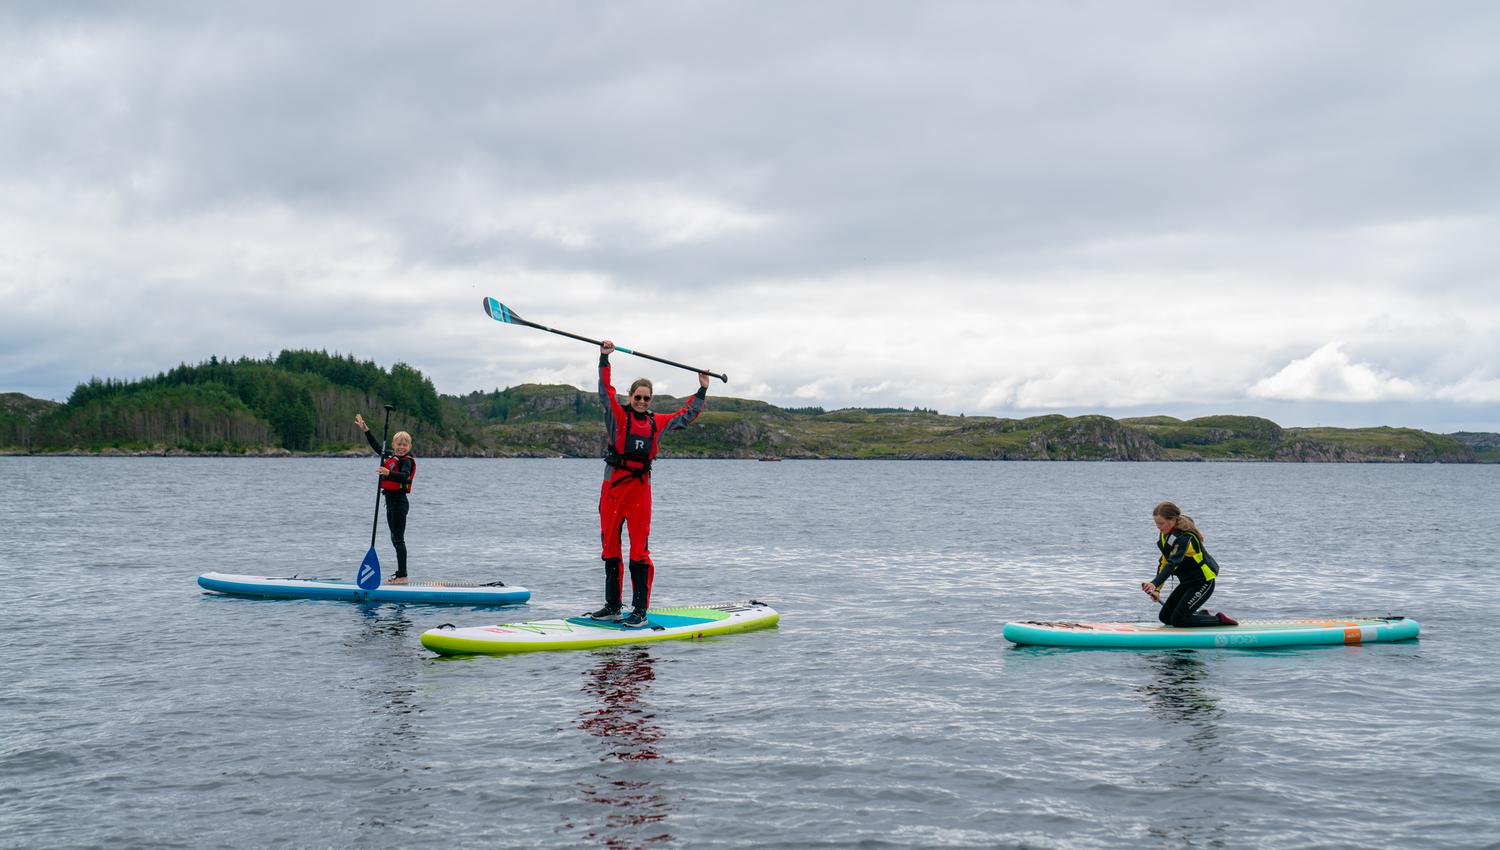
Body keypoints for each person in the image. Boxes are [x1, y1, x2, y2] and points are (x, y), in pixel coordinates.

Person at [586, 340, 709, 628]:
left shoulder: (658, 422)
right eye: (638, 397)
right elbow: (606, 392)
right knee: (610, 549)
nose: (641, 402)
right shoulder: (617, 416)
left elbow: (686, 415)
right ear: (630, 397)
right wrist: (604, 359)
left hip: (640, 493)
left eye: (646, 398)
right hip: (613, 491)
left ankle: (639, 610)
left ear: (651, 400)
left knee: (639, 552)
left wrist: (702, 388)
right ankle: (613, 606)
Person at [1142, 501, 1237, 627]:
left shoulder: (1185, 538)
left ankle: (1219, 619)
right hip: (1187, 583)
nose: (1158, 527)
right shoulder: (1166, 535)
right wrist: (1157, 589)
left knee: (1178, 620)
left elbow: (1172, 563)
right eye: (1156, 524)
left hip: (1202, 582)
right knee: (1165, 617)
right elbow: (1164, 561)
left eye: (1161, 523)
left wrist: (1154, 583)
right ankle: (1202, 615)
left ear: (1172, 520)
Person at [355, 414, 416, 585]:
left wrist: (388, 473)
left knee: (398, 539)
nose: (401, 447)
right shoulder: (391, 456)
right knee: (394, 538)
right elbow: (376, 447)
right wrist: (366, 430)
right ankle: (400, 574)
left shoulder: (407, 462)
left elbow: (404, 477)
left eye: (405, 445)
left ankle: (402, 576)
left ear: (409, 447)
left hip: (399, 503)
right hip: (390, 502)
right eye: (399, 444)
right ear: (393, 445)